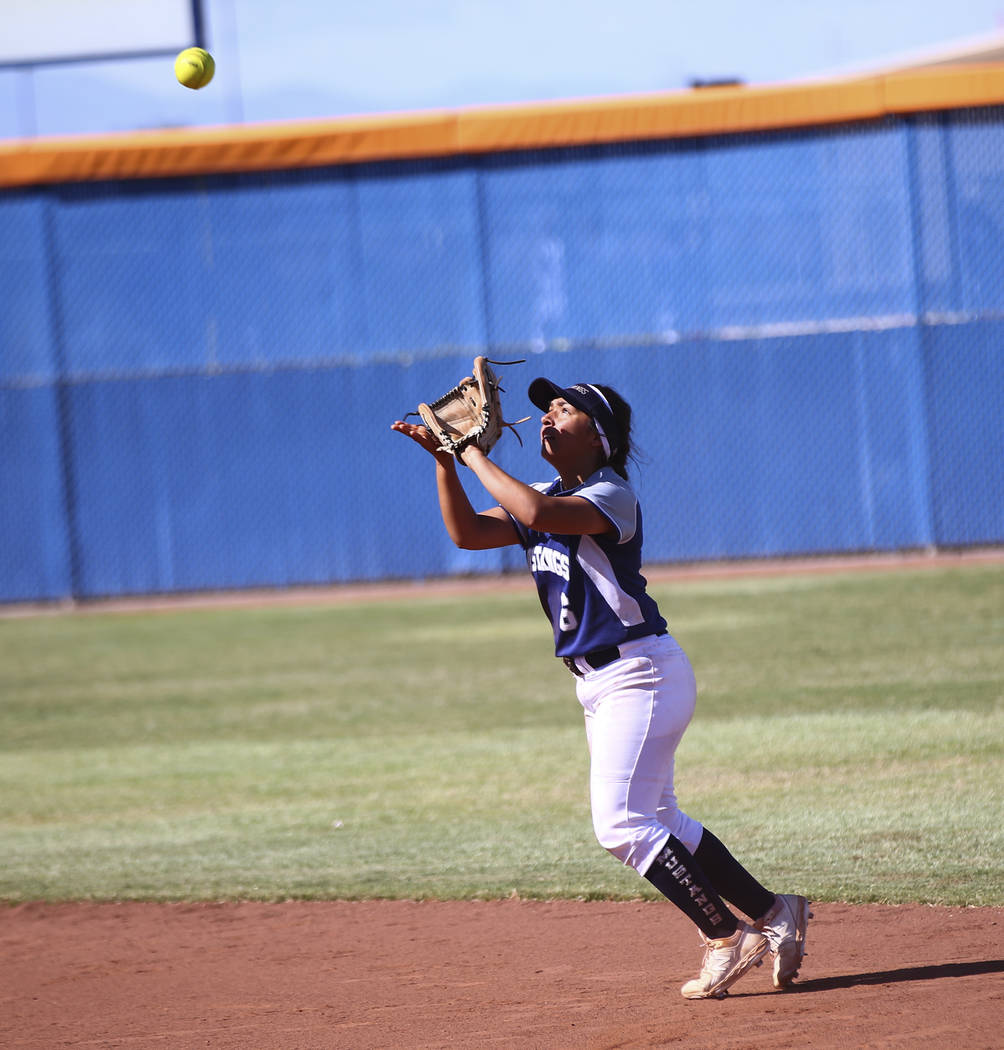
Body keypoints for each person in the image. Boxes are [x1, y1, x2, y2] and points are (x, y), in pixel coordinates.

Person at [392, 377, 810, 1000]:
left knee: (619, 824)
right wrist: (446, 463)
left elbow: (535, 517)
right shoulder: (543, 490)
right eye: (546, 408)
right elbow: (469, 535)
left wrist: (473, 452)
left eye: (565, 408)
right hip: (604, 684)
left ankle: (725, 936)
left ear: (600, 436)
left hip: (640, 674)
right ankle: (776, 913)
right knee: (661, 817)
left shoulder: (611, 494)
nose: (547, 416)